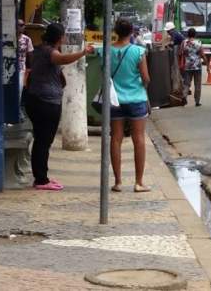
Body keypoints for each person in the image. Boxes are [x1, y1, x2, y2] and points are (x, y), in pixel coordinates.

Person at [23, 22, 95, 191]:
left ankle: (42, 176)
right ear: (59, 37)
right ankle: (41, 180)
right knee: (43, 141)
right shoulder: (51, 52)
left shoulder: (38, 50)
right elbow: (62, 59)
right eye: (63, 36)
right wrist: (83, 52)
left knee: (41, 140)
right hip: (46, 102)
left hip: (35, 99)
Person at [109, 18, 152, 193]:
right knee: (139, 139)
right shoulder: (138, 51)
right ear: (132, 31)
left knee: (116, 138)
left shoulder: (107, 50)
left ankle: (118, 182)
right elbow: (146, 78)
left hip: (114, 100)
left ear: (115, 31)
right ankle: (139, 182)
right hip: (136, 99)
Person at [179, 28, 206, 106]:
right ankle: (197, 102)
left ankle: (184, 96)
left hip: (187, 66)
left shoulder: (184, 42)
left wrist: (181, 63)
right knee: (197, 85)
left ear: (188, 34)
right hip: (197, 66)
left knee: (186, 83)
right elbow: (202, 54)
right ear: (195, 34)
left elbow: (180, 53)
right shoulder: (199, 42)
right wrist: (207, 64)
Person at [17, 19, 33, 92]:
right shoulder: (8, 38)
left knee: (19, 89)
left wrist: (28, 69)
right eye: (20, 25)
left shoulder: (27, 39)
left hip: (21, 68)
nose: (22, 27)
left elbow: (30, 54)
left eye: (23, 25)